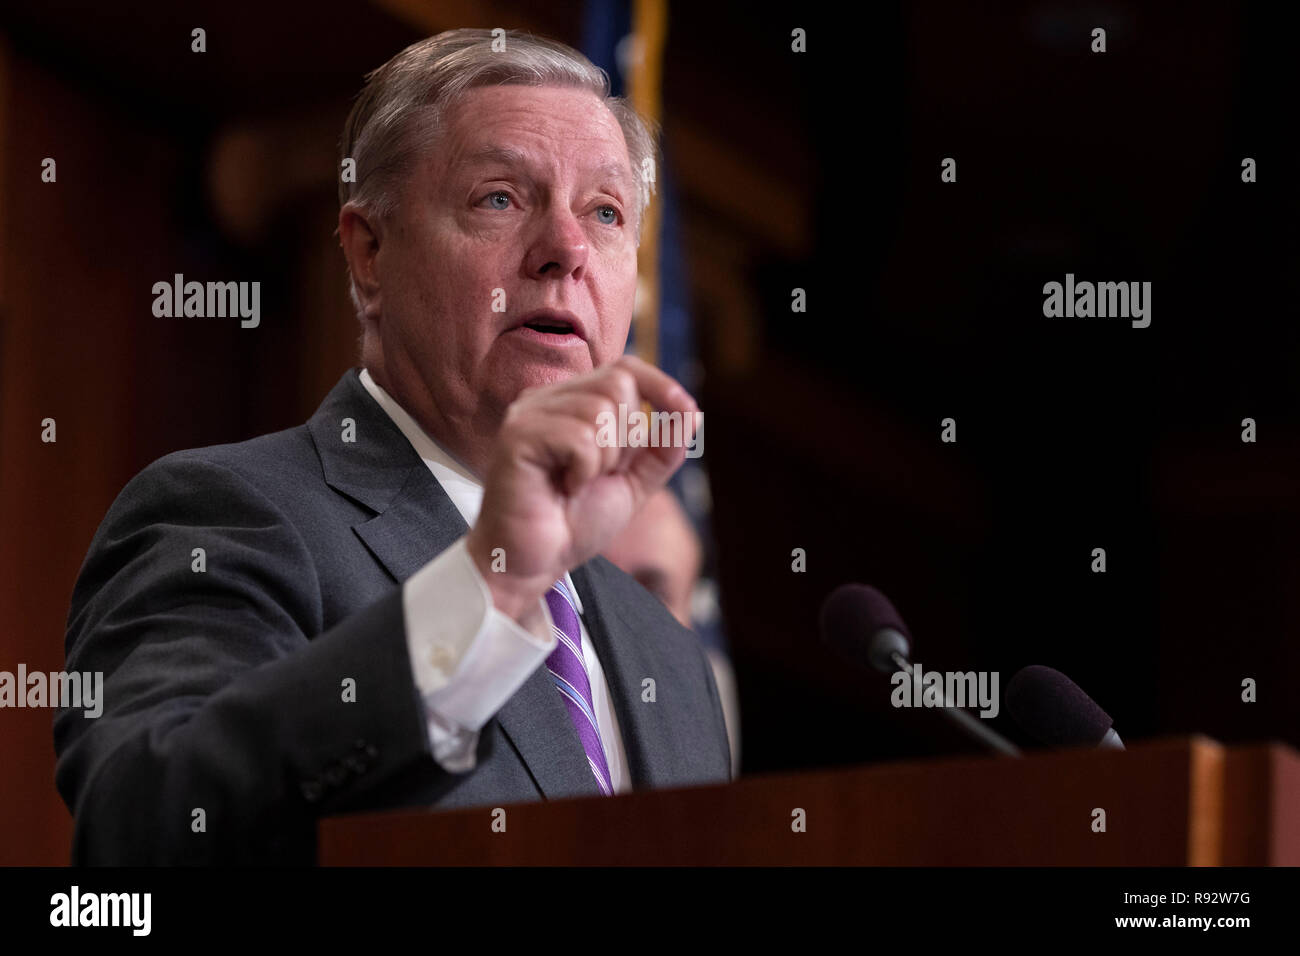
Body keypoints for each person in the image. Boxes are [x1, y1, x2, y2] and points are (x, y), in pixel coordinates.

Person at [55, 28, 730, 865]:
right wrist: (494, 583)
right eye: (500, 198)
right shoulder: (229, 516)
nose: (567, 249)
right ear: (369, 254)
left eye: (605, 211)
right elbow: (144, 828)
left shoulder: (665, 651)